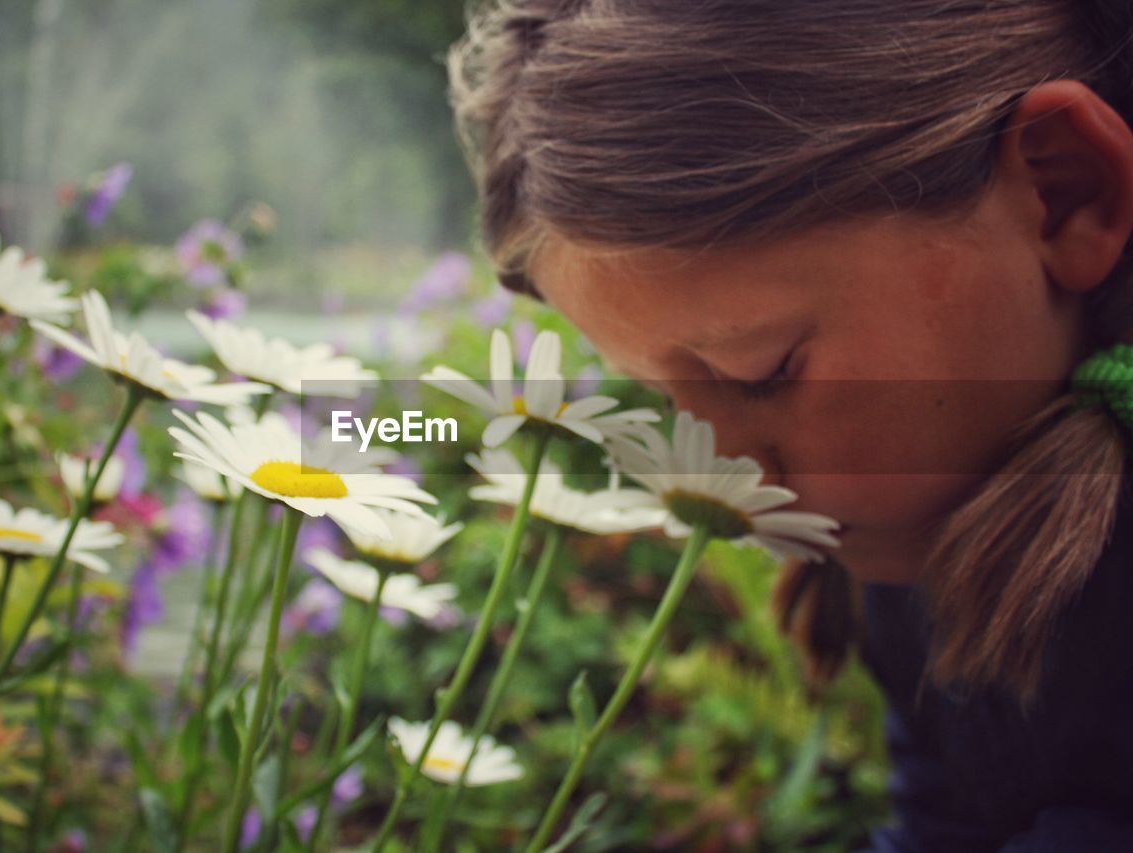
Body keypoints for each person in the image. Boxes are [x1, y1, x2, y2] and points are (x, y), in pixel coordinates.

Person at [446, 1, 1133, 849]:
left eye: (761, 372)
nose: (719, 473)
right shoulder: (918, 538)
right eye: (665, 401)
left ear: (1067, 192)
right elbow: (941, 821)